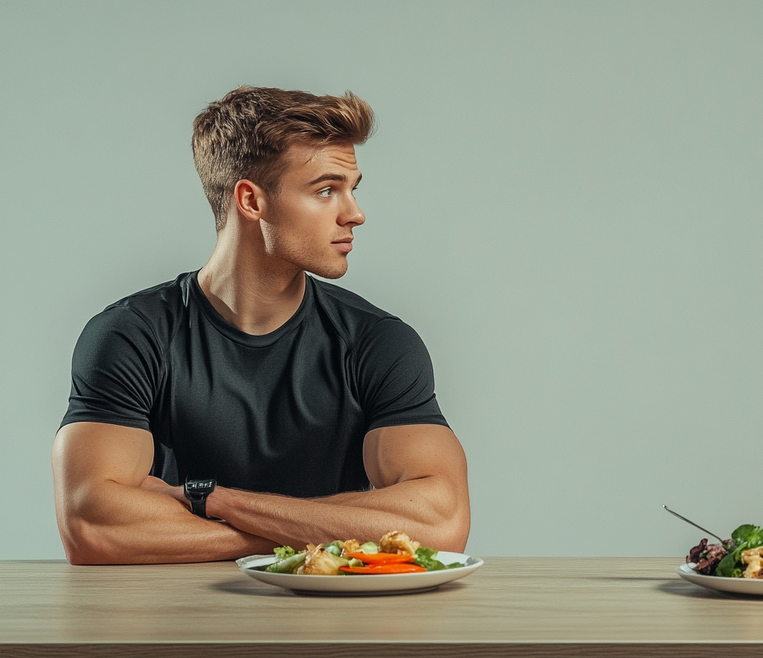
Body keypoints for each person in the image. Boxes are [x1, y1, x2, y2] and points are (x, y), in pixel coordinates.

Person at [52, 87, 470, 564]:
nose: (355, 213)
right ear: (251, 201)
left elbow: (440, 524)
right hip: (173, 624)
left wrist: (215, 500)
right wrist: (323, 532)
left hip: (333, 626)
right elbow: (92, 527)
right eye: (326, 190)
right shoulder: (130, 337)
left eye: (353, 189)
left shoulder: (378, 342)